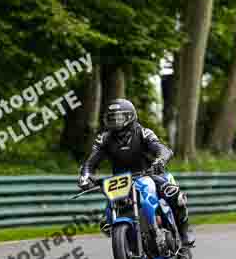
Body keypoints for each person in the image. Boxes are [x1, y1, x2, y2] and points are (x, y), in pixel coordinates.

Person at [78, 99, 194, 245]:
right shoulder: (104, 139)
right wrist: (85, 176)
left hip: (148, 174)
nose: (115, 122)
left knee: (173, 194)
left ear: (130, 117)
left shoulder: (143, 133)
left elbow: (162, 149)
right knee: (106, 224)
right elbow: (90, 162)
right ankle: (129, 246)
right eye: (111, 118)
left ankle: (184, 231)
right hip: (120, 181)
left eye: (119, 118)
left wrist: (160, 161)